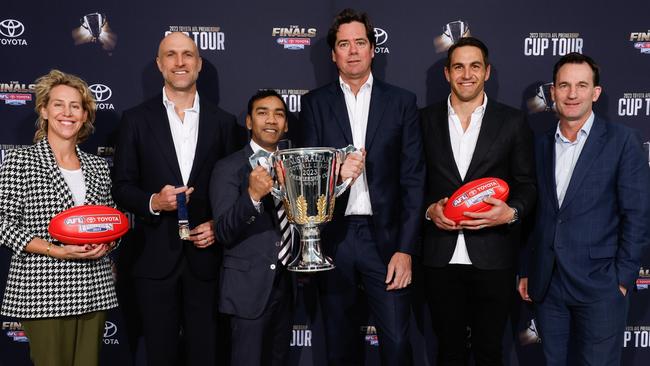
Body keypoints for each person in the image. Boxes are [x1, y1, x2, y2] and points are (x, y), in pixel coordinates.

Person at [297, 8, 425, 365]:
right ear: (332, 54)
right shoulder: (314, 104)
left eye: (360, 42)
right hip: (333, 237)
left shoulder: (402, 102)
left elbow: (413, 180)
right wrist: (336, 174)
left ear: (372, 49)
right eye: (343, 44)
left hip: (385, 240)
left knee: (398, 343)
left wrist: (405, 249)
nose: (352, 50)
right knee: (338, 346)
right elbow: (305, 180)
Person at [112, 32, 244, 366]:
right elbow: (122, 186)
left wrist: (217, 224)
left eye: (187, 54)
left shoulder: (224, 123)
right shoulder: (135, 120)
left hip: (207, 259)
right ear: (160, 64)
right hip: (153, 258)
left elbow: (235, 190)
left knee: (207, 353)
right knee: (160, 354)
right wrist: (155, 201)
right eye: (171, 55)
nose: (180, 62)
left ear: (199, 64)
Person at [518, 53, 650, 366]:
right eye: (564, 85)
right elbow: (535, 215)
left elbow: (637, 214)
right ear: (552, 93)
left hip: (601, 284)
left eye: (581, 85)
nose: (572, 94)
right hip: (549, 285)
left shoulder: (622, 141)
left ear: (596, 92)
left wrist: (621, 279)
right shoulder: (539, 144)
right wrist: (527, 269)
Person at [419, 37, 536, 366]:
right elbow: (412, 183)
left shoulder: (512, 122)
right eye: (458, 66)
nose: (466, 74)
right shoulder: (423, 120)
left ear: (487, 72)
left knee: (489, 352)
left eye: (474, 66)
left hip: (494, 255)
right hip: (440, 256)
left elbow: (527, 185)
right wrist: (429, 210)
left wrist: (511, 213)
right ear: (447, 73)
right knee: (448, 352)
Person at [0, 69, 118, 366]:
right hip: (44, 289)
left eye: (75, 106)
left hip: (94, 288)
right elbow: (2, 224)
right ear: (44, 110)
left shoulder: (98, 167)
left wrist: (108, 243)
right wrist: (57, 250)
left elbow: (110, 220)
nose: (67, 113)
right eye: (58, 104)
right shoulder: (20, 160)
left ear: (84, 115)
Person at [210, 90, 294, 366]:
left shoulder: (295, 165)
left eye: (279, 114)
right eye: (262, 112)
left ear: (286, 124)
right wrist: (252, 197)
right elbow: (223, 231)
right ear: (248, 122)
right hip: (247, 289)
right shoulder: (228, 168)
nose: (271, 120)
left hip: (287, 285)